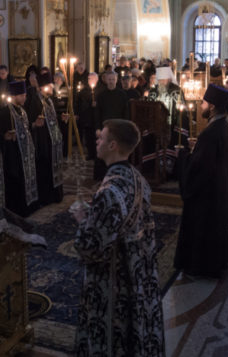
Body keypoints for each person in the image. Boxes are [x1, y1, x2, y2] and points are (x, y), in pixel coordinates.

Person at [73, 119, 165, 357]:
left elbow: (89, 246)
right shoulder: (138, 179)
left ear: (113, 145)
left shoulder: (109, 192)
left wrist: (83, 219)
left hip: (114, 283)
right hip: (137, 274)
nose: (97, 141)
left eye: (101, 138)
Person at [174, 85, 228, 277]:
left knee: (203, 228)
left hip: (206, 194)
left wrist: (183, 155)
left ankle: (200, 266)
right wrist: (197, 146)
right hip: (218, 187)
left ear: (214, 107)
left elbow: (198, 169)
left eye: (204, 103)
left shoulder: (212, 132)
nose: (201, 106)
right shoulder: (225, 125)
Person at [0, 81, 39, 216]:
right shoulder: (4, 112)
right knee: (15, 182)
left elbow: (25, 130)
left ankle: (29, 205)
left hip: (25, 153)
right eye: (23, 95)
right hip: (12, 155)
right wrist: (5, 136)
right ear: (15, 96)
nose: (25, 98)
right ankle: (18, 209)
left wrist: (33, 126)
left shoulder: (22, 111)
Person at [26, 72, 64, 205]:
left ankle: (56, 194)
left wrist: (61, 118)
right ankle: (46, 197)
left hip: (53, 139)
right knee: (45, 167)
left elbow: (52, 118)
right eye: (49, 86)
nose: (52, 88)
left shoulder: (49, 100)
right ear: (41, 88)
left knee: (54, 165)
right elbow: (30, 121)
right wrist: (35, 124)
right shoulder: (35, 101)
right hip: (42, 141)